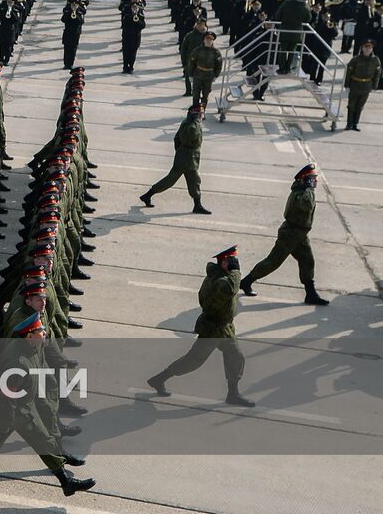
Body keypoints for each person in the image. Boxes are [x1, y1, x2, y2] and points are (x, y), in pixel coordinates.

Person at [0, 311, 96, 497]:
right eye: (40, 331)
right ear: (29, 336)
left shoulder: (33, 348)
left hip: (24, 408)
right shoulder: (17, 363)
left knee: (44, 440)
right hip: (6, 410)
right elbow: (6, 394)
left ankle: (66, 482)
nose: (44, 333)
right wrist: (7, 419)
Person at [148, 246, 253, 406]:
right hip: (213, 329)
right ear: (223, 263)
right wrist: (236, 272)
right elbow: (230, 289)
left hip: (224, 328)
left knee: (236, 357)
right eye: (231, 261)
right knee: (193, 361)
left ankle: (233, 394)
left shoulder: (222, 276)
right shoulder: (219, 281)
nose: (234, 264)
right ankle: (159, 379)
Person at [240, 164, 328, 305]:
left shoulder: (304, 191)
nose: (315, 182)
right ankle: (246, 281)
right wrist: (309, 188)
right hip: (291, 234)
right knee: (273, 262)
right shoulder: (299, 194)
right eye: (312, 179)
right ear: (305, 180)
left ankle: (310, 294)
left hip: (300, 234)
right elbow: (307, 205)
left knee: (308, 261)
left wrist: (308, 187)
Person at [140, 104, 211, 214]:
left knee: (188, 181)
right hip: (187, 159)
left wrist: (179, 151)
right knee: (180, 180)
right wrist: (196, 122)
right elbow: (191, 136)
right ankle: (197, 205)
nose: (202, 116)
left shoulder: (187, 122)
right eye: (200, 114)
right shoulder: (192, 125)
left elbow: (176, 138)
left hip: (186, 157)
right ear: (195, 115)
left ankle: (148, 195)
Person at [344, 38, 380, 131]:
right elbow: (348, 72)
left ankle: (356, 124)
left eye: (370, 47)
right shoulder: (356, 59)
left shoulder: (375, 60)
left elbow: (377, 73)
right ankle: (349, 124)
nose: (368, 49)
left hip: (366, 85)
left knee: (360, 106)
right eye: (366, 47)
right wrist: (347, 85)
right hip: (355, 84)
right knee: (351, 105)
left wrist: (374, 86)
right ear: (362, 48)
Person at [185, 31, 223, 109]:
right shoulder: (197, 50)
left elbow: (219, 65)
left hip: (209, 76)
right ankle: (195, 112)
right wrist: (190, 74)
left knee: (205, 95)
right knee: (196, 94)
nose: (208, 40)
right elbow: (192, 62)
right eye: (207, 38)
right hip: (198, 75)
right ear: (204, 40)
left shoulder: (216, 52)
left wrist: (216, 75)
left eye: (211, 39)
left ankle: (202, 112)